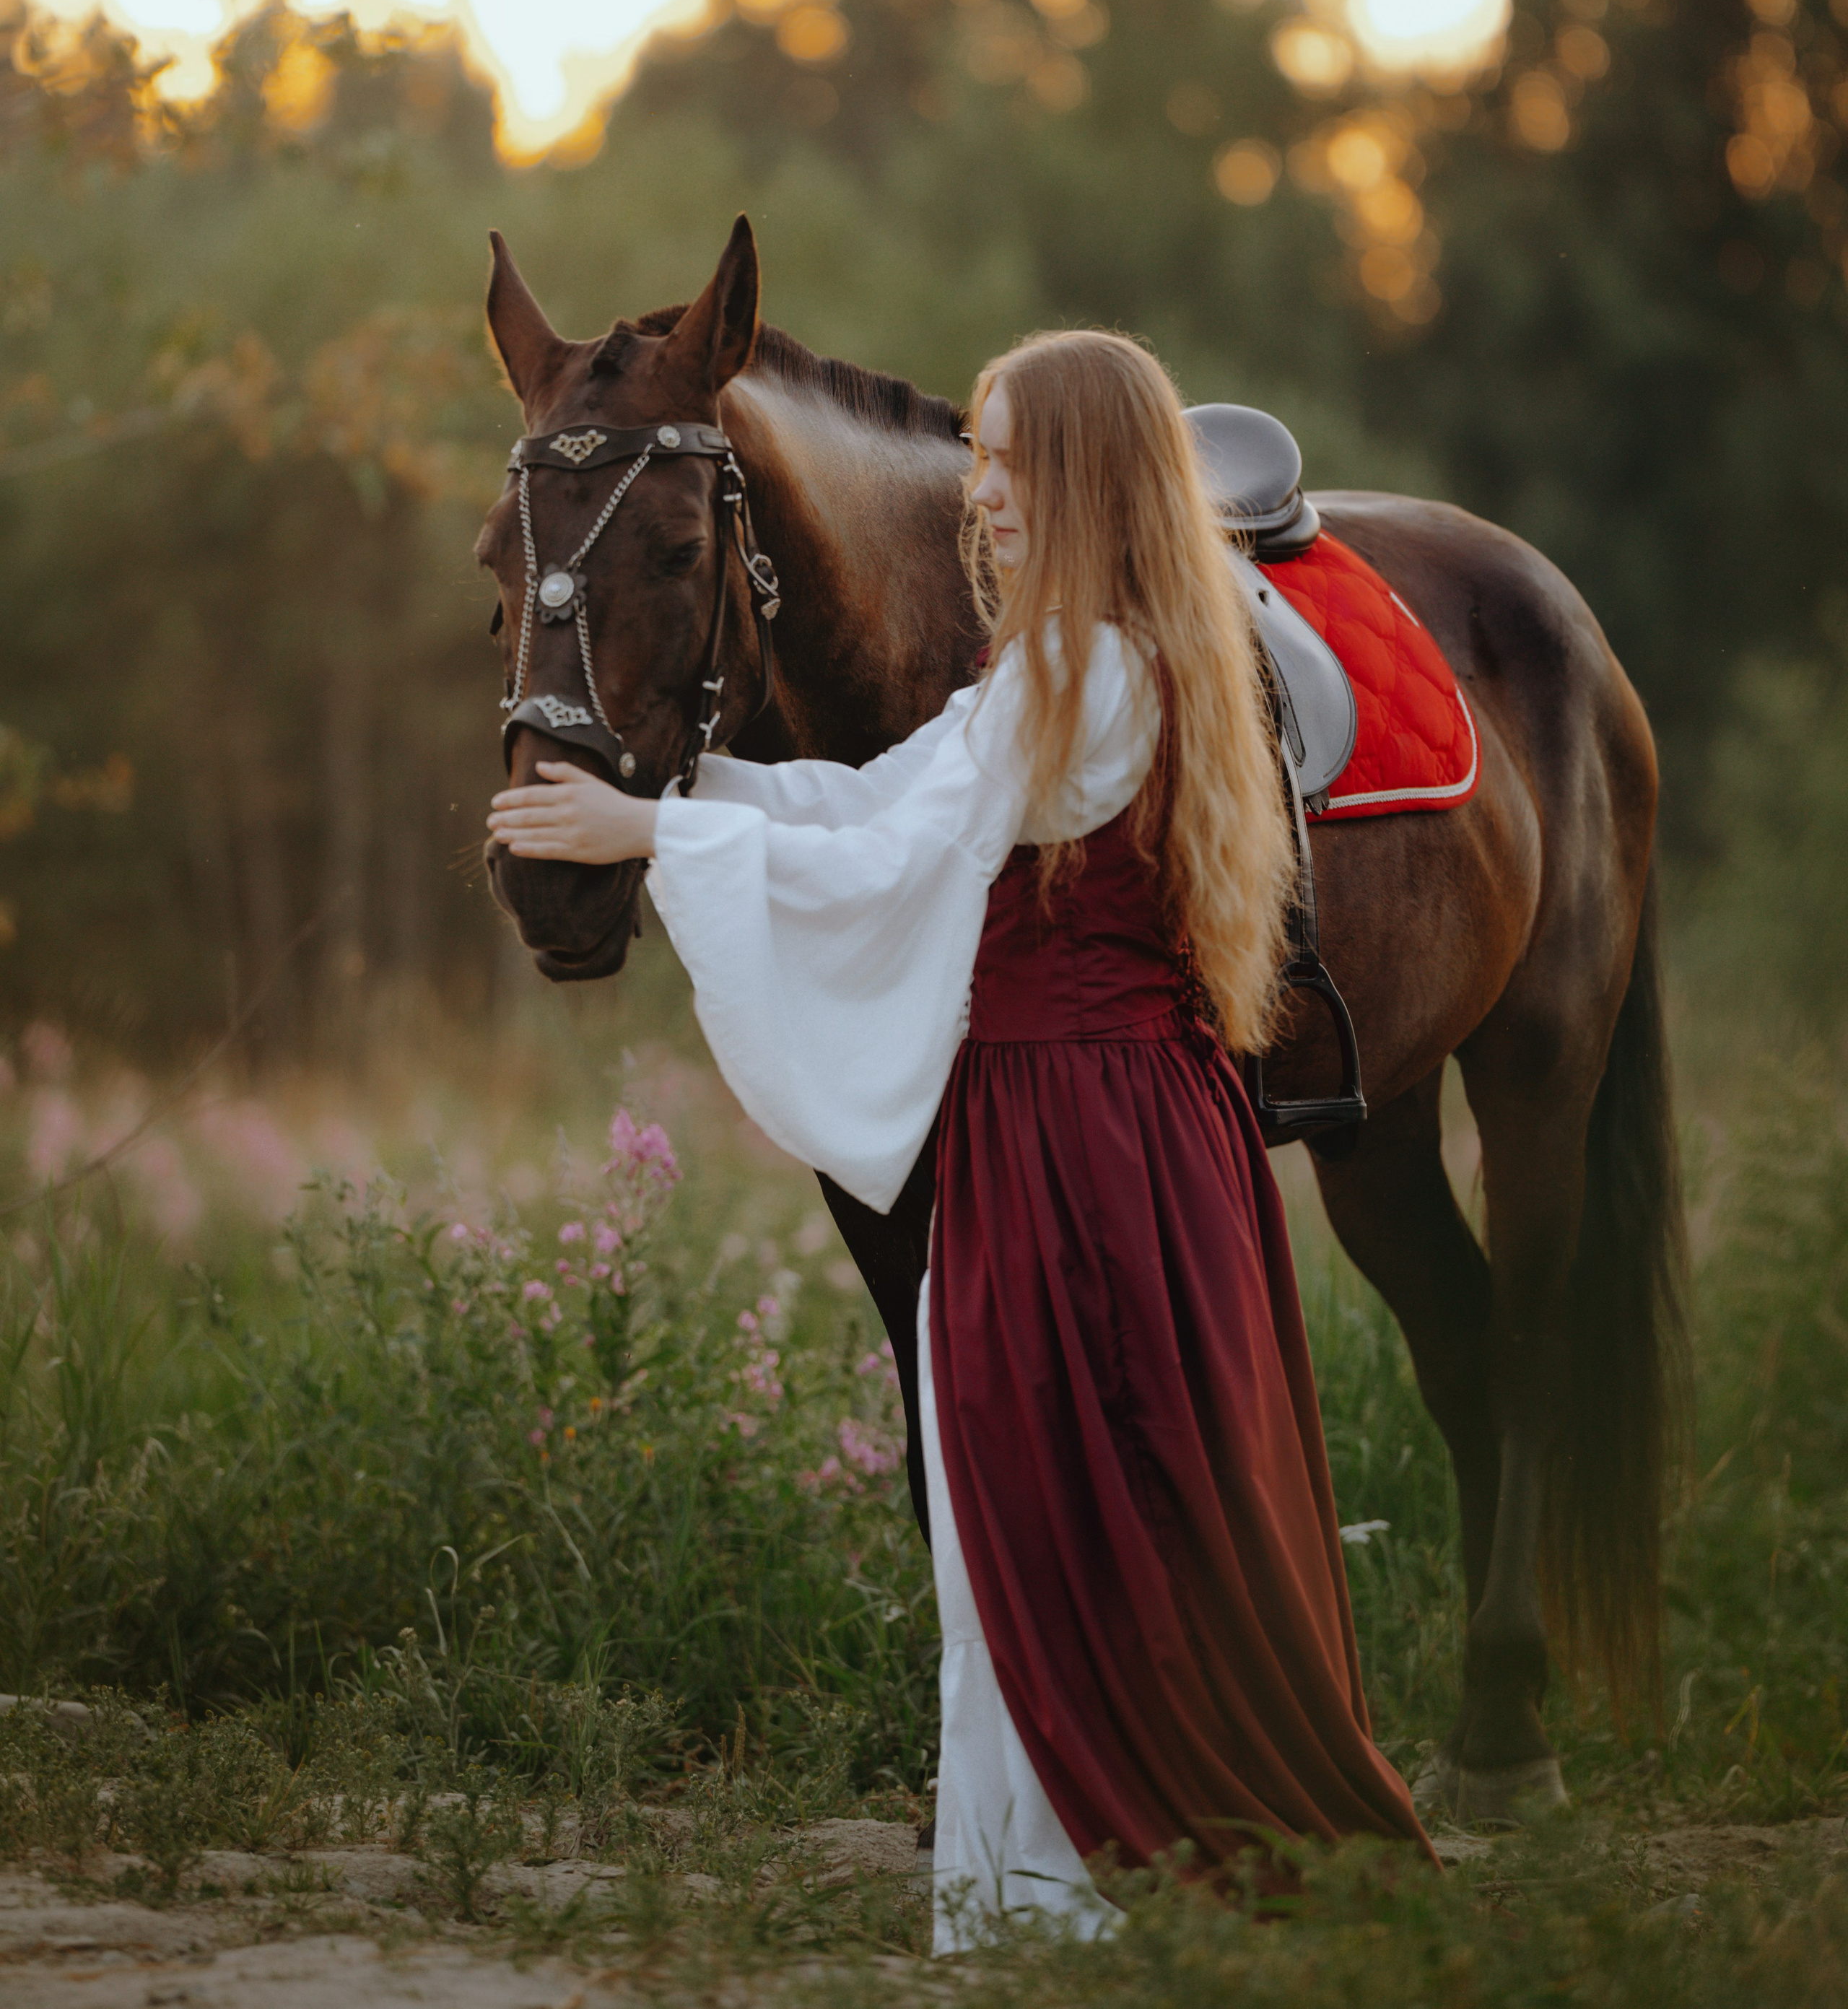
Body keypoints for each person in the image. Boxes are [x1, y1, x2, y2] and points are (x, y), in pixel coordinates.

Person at [488, 330, 1437, 1950]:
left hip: (1091, 1140)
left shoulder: (1096, 671)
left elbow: (908, 851)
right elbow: (871, 798)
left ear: (1082, 479)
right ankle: (1039, 1892)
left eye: (1004, 463)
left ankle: (1116, 1885)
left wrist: (650, 828)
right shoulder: (1050, 666)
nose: (976, 495)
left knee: (1092, 1492)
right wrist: (686, 773)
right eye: (976, 458)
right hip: (1048, 1127)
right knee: (1021, 1497)